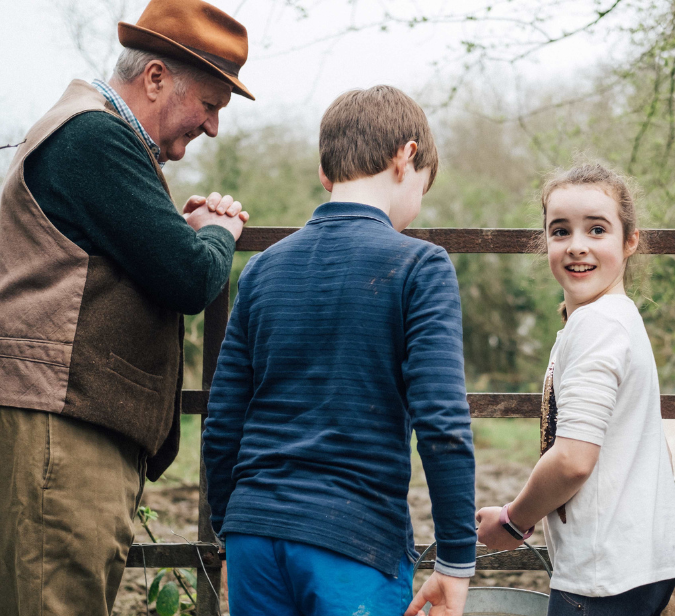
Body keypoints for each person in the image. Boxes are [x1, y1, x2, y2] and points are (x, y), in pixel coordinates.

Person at [0, 1, 253, 615]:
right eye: (210, 103)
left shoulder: (91, 138)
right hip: (59, 441)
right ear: (154, 78)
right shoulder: (95, 139)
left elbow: (136, 256)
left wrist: (184, 231)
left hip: (60, 434)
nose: (212, 127)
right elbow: (191, 275)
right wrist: (217, 230)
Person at [202, 85, 476, 616]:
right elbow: (442, 421)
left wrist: (228, 525)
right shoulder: (421, 266)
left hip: (253, 533)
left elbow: (222, 419)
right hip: (353, 539)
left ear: (327, 175)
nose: (418, 209)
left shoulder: (261, 269)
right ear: (407, 156)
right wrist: (456, 562)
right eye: (424, 186)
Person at [475, 164, 675, 616]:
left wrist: (513, 521)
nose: (577, 246)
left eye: (597, 229)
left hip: (603, 575)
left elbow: (574, 460)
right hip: (635, 563)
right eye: (560, 231)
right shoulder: (618, 316)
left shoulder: (597, 325)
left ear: (630, 240)